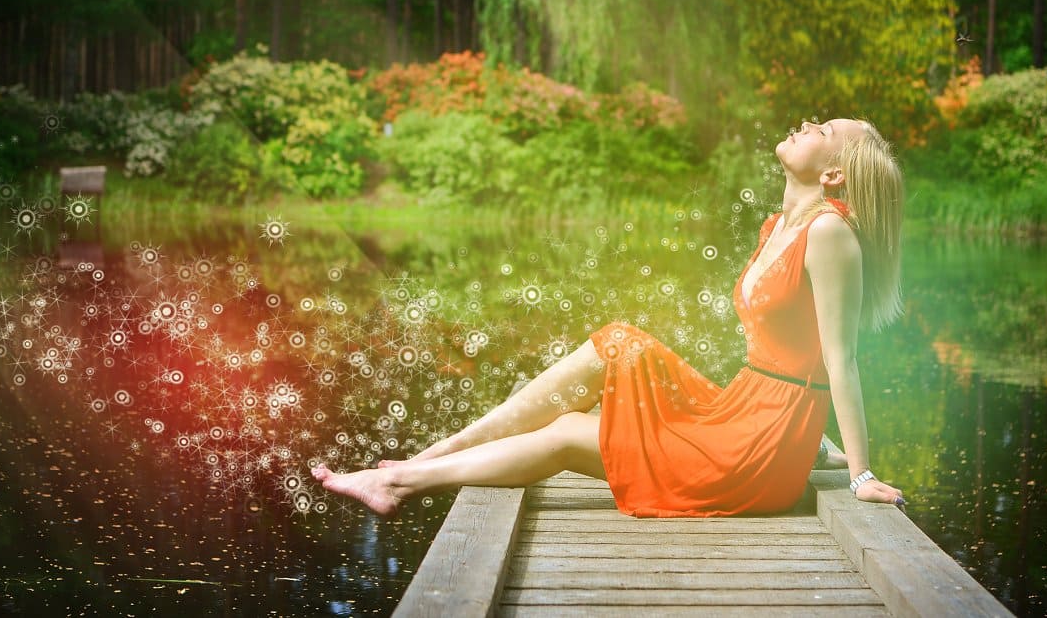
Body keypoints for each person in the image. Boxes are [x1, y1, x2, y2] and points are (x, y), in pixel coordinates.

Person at [312, 118, 907, 516]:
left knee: (569, 435)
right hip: (745, 412)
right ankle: (441, 449)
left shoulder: (830, 234)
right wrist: (815, 443)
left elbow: (839, 361)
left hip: (757, 452)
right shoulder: (778, 227)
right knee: (619, 341)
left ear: (833, 174)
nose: (806, 124)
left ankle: (399, 481)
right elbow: (788, 349)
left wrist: (859, 475)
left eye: (822, 130)